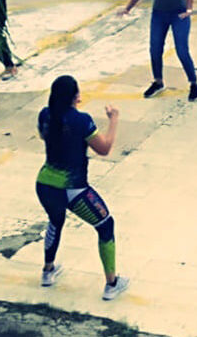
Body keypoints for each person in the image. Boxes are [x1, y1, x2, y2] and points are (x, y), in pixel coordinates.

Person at [34, 75, 128, 301]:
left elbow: (44, 135)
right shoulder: (81, 121)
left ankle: (48, 270)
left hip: (45, 184)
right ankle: (112, 283)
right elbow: (104, 148)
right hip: (73, 188)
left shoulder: (45, 115)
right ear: (75, 96)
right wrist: (113, 120)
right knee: (105, 225)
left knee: (55, 221)